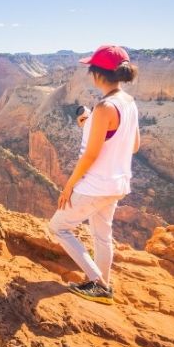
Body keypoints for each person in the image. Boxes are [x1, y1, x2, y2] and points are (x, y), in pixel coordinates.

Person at [48, 45, 140, 305]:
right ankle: (103, 283)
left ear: (98, 74)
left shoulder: (104, 108)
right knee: (102, 234)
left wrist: (69, 187)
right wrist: (90, 124)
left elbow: (90, 155)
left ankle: (98, 283)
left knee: (58, 227)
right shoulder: (128, 104)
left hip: (95, 185)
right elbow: (133, 145)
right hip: (117, 183)